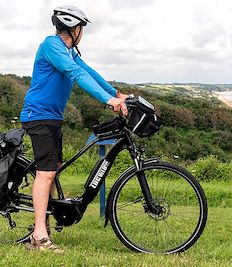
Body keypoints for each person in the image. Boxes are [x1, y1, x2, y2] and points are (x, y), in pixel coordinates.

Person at [19, 5, 128, 252]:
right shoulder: (52, 46)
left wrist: (115, 93)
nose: (82, 33)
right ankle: (38, 237)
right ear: (74, 28)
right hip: (39, 116)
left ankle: (43, 224)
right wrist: (108, 101)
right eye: (81, 29)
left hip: (52, 117)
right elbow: (75, 73)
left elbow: (89, 72)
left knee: (53, 170)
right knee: (45, 173)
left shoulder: (69, 52)